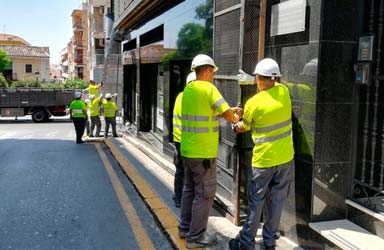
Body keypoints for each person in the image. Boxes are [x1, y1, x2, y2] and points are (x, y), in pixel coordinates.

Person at [229, 58, 294, 250]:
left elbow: (243, 127)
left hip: (263, 161)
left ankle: (247, 242)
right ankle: (269, 241)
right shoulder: (284, 93)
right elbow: (274, 84)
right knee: (277, 201)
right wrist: (255, 79)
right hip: (285, 159)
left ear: (258, 78)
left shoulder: (253, 103)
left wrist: (235, 124)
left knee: (256, 203)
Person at [178, 54, 242, 249]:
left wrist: (228, 111)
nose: (213, 76)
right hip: (203, 153)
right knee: (204, 195)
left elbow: (207, 111)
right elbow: (225, 113)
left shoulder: (188, 90)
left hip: (187, 151)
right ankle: (195, 237)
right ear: (206, 70)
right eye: (212, 72)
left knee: (189, 189)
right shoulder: (209, 89)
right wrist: (236, 119)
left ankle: (185, 228)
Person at [172, 71, 196, 208]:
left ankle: (178, 197)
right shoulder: (190, 98)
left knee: (180, 170)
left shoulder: (180, 96)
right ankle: (186, 198)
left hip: (178, 140)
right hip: (188, 141)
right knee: (189, 172)